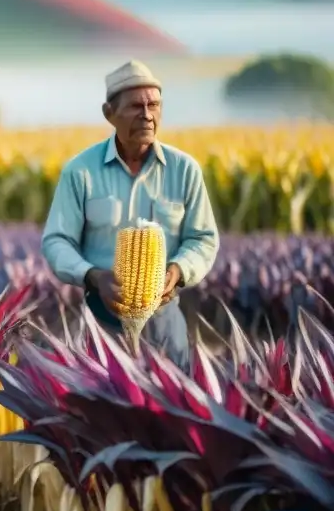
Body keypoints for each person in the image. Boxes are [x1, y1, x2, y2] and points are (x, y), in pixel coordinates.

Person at [41, 60, 219, 367]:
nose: (147, 115)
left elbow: (203, 238)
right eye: (136, 106)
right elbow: (57, 241)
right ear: (109, 113)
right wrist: (94, 276)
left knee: (170, 413)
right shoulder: (81, 171)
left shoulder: (184, 170)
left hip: (165, 323)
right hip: (102, 322)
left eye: (154, 105)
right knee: (103, 413)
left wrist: (176, 272)